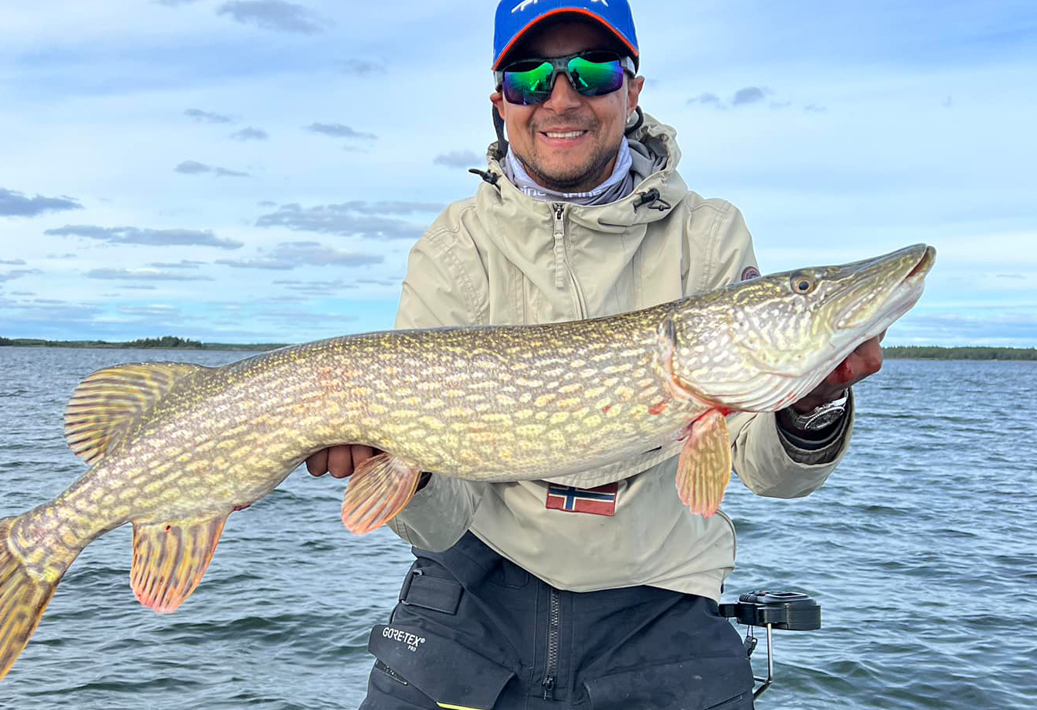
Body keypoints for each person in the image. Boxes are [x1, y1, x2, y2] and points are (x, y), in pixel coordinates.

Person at [308, 2, 883, 708]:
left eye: (591, 71)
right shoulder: (453, 248)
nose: (561, 97)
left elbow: (768, 472)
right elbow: (439, 521)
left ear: (631, 89)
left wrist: (811, 403)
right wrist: (409, 476)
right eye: (529, 77)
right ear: (501, 102)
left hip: (659, 606)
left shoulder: (708, 234)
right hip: (474, 595)